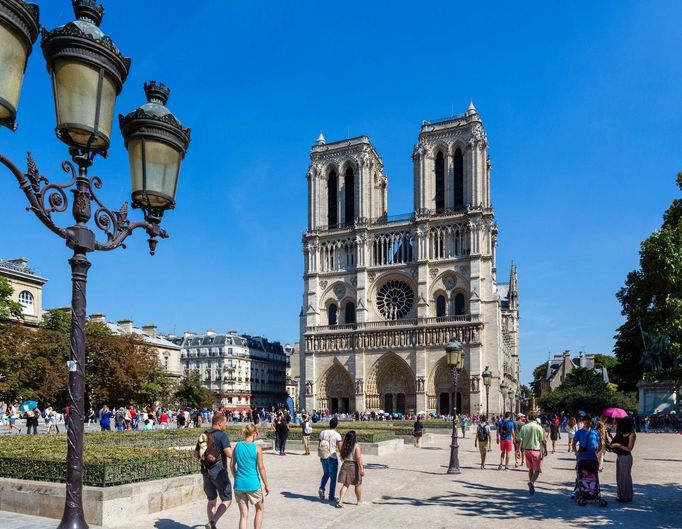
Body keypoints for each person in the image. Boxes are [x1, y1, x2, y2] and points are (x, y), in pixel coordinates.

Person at [195, 414, 234, 529]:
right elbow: (229, 454)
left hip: (206, 471)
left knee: (211, 501)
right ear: (219, 423)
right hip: (219, 472)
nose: (226, 425)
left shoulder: (204, 434)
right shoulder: (222, 436)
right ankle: (213, 522)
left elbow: (196, 454)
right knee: (227, 499)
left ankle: (212, 526)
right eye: (225, 422)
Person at [231, 424, 270, 529]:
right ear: (254, 434)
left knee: (243, 516)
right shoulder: (257, 448)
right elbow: (261, 468)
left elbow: (231, 466)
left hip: (239, 484)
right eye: (257, 434)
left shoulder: (237, 446)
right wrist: (266, 484)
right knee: (260, 509)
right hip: (253, 484)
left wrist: (237, 477)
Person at [518, 411, 547, 495]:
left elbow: (520, 439)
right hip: (535, 450)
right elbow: (542, 440)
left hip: (526, 450)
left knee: (530, 468)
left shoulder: (524, 427)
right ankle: (532, 482)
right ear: (535, 418)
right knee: (537, 470)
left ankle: (531, 484)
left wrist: (518, 450)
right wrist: (545, 449)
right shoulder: (539, 427)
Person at [610, 416, 636, 502]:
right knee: (620, 477)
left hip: (626, 457)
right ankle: (621, 495)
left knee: (625, 477)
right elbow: (614, 441)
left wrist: (618, 445)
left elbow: (629, 448)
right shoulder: (621, 433)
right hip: (620, 456)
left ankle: (627, 497)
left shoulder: (632, 434)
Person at [336, 430, 365, 507]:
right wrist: (361, 468)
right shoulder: (356, 446)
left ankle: (340, 501)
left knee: (345, 484)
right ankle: (359, 501)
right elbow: (358, 458)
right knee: (357, 484)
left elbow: (341, 455)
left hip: (345, 465)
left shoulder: (344, 445)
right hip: (353, 465)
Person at [318, 417, 343, 503]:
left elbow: (320, 445)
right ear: (336, 425)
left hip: (323, 456)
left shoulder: (322, 432)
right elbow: (340, 448)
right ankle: (331, 496)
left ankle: (321, 488)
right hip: (332, 457)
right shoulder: (337, 435)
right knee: (333, 478)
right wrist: (343, 457)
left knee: (326, 474)